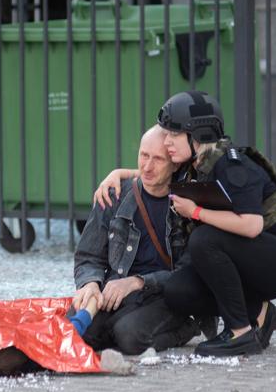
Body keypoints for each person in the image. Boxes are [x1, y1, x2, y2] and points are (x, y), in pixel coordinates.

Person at [94, 91, 276, 357]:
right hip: (255, 254)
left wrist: (196, 212)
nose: (167, 141)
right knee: (178, 289)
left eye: (173, 135)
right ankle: (259, 312)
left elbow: (252, 225)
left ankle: (241, 333)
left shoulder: (232, 165)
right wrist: (119, 174)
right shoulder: (199, 161)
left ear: (198, 136)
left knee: (205, 240)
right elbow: (159, 174)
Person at [73, 125, 213, 356]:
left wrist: (137, 281)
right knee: (80, 333)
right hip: (118, 290)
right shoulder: (114, 194)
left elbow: (189, 272)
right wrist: (90, 284)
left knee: (129, 337)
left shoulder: (187, 205)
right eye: (143, 155)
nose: (147, 167)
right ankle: (117, 327)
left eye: (158, 159)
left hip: (164, 294)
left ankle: (187, 327)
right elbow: (88, 256)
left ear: (175, 164)